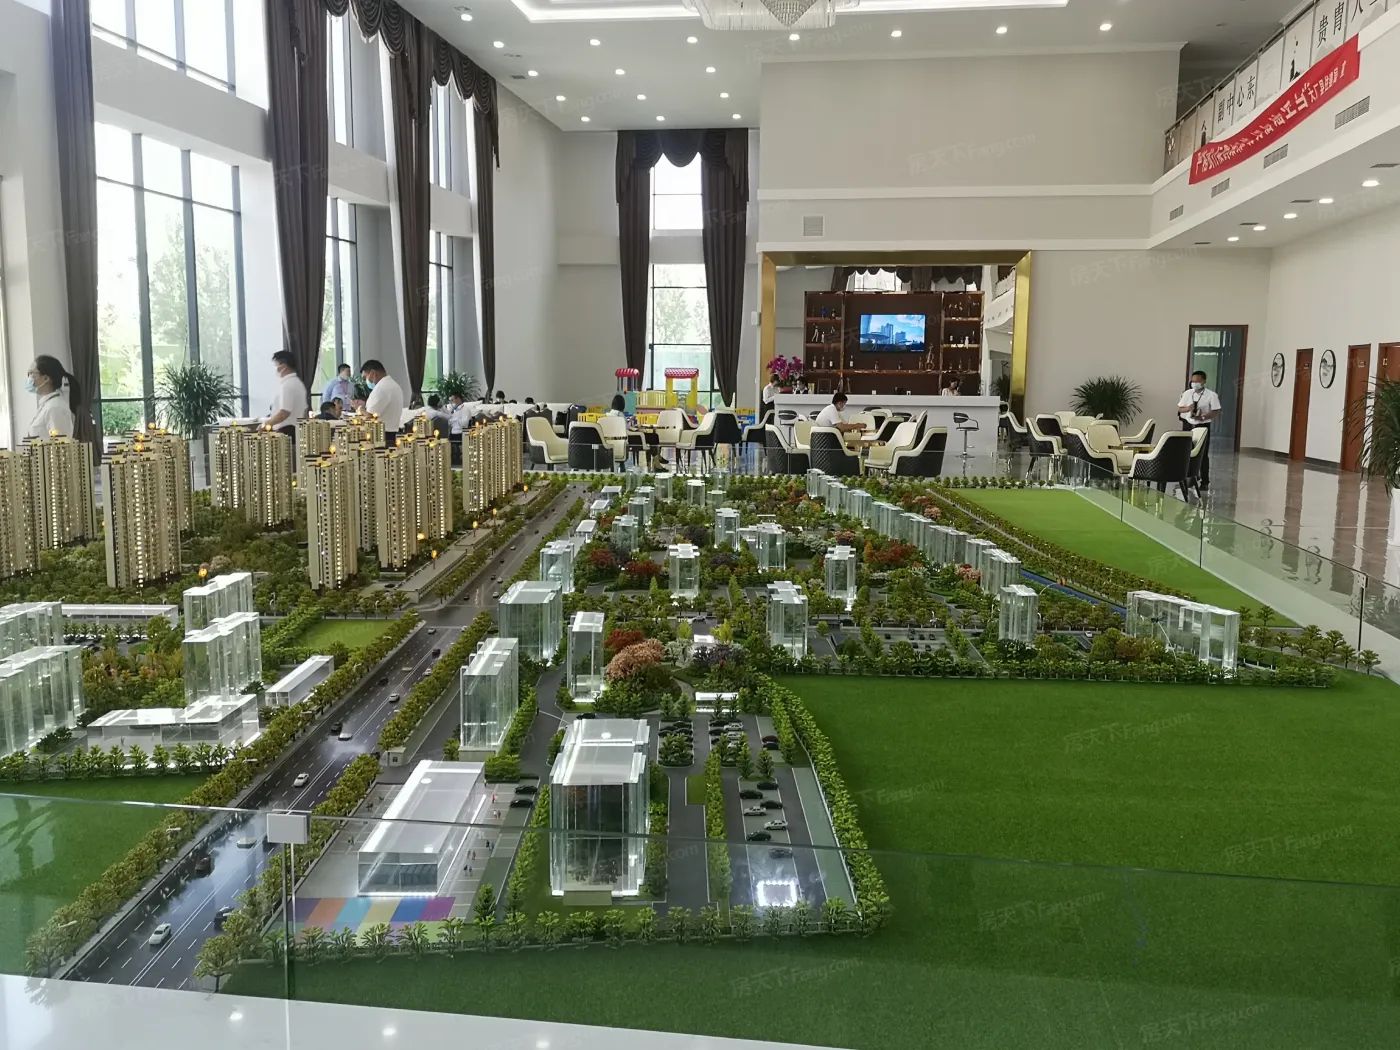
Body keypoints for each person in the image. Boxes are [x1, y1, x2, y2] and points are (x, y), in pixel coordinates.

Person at [1178, 369, 1221, 491]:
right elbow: (1180, 409)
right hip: (1188, 425)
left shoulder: (1211, 395)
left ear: (1203, 382)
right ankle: (1189, 478)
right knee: (1187, 452)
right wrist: (1188, 409)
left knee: (1202, 454)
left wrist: (1203, 416)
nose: (1194, 383)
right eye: (1193, 381)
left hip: (1202, 425)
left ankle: (1205, 481)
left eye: (1197, 381)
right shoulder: (1187, 393)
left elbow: (1215, 411)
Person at [25, 355, 79, 439]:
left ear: (46, 378)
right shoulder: (47, 404)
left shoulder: (55, 407)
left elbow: (61, 443)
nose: (29, 377)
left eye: (31, 373)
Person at [264, 350, 308, 439]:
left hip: (286, 431)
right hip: (295, 430)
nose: (276, 369)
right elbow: (304, 412)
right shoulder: (298, 383)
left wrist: (266, 424)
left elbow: (284, 413)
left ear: (283, 366)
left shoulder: (288, 385)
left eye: (276, 365)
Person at [361, 359, 405, 444]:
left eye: (365, 377)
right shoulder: (393, 384)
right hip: (391, 432)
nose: (366, 381)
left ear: (373, 373)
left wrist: (359, 409)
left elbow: (370, 415)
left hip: (381, 435)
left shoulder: (381, 388)